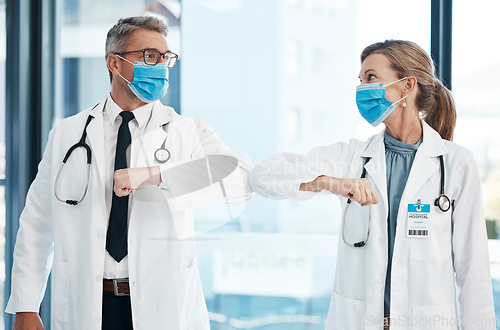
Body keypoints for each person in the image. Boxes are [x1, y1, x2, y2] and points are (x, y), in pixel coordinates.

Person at [6, 16, 252, 330]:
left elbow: (240, 179)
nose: (161, 66)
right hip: (89, 305)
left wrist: (156, 175)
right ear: (115, 63)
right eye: (149, 56)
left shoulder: (188, 131)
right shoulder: (68, 134)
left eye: (166, 58)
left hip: (163, 308)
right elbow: (37, 223)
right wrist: (26, 306)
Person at [249, 40, 496, 329]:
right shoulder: (352, 157)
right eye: (361, 79)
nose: (362, 89)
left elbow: (473, 271)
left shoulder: (455, 164)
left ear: (407, 85)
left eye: (371, 78)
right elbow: (262, 176)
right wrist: (329, 183)